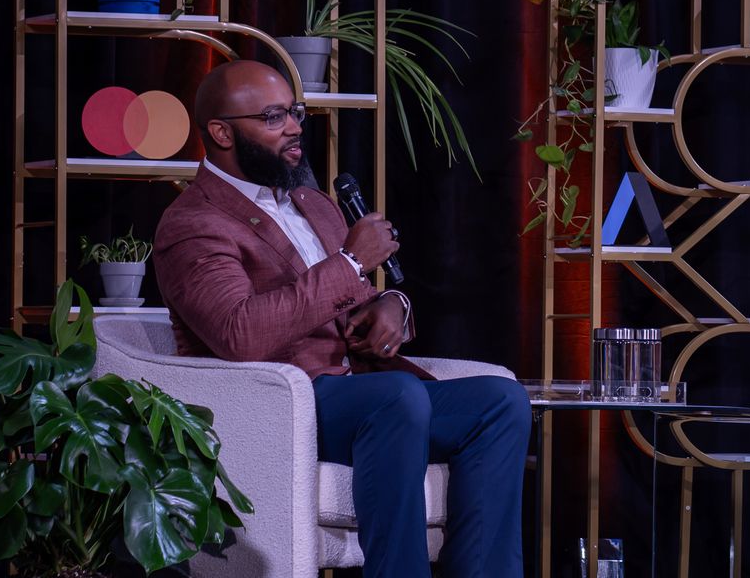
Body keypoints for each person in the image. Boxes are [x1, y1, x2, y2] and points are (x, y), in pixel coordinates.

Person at [153, 60, 528, 578]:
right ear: (221, 132)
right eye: (274, 117)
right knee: (396, 396)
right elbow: (239, 333)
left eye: (295, 112)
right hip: (278, 405)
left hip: (362, 395)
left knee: (501, 401)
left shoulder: (314, 204)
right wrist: (351, 262)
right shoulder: (194, 223)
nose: (294, 127)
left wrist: (392, 306)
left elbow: (349, 299)